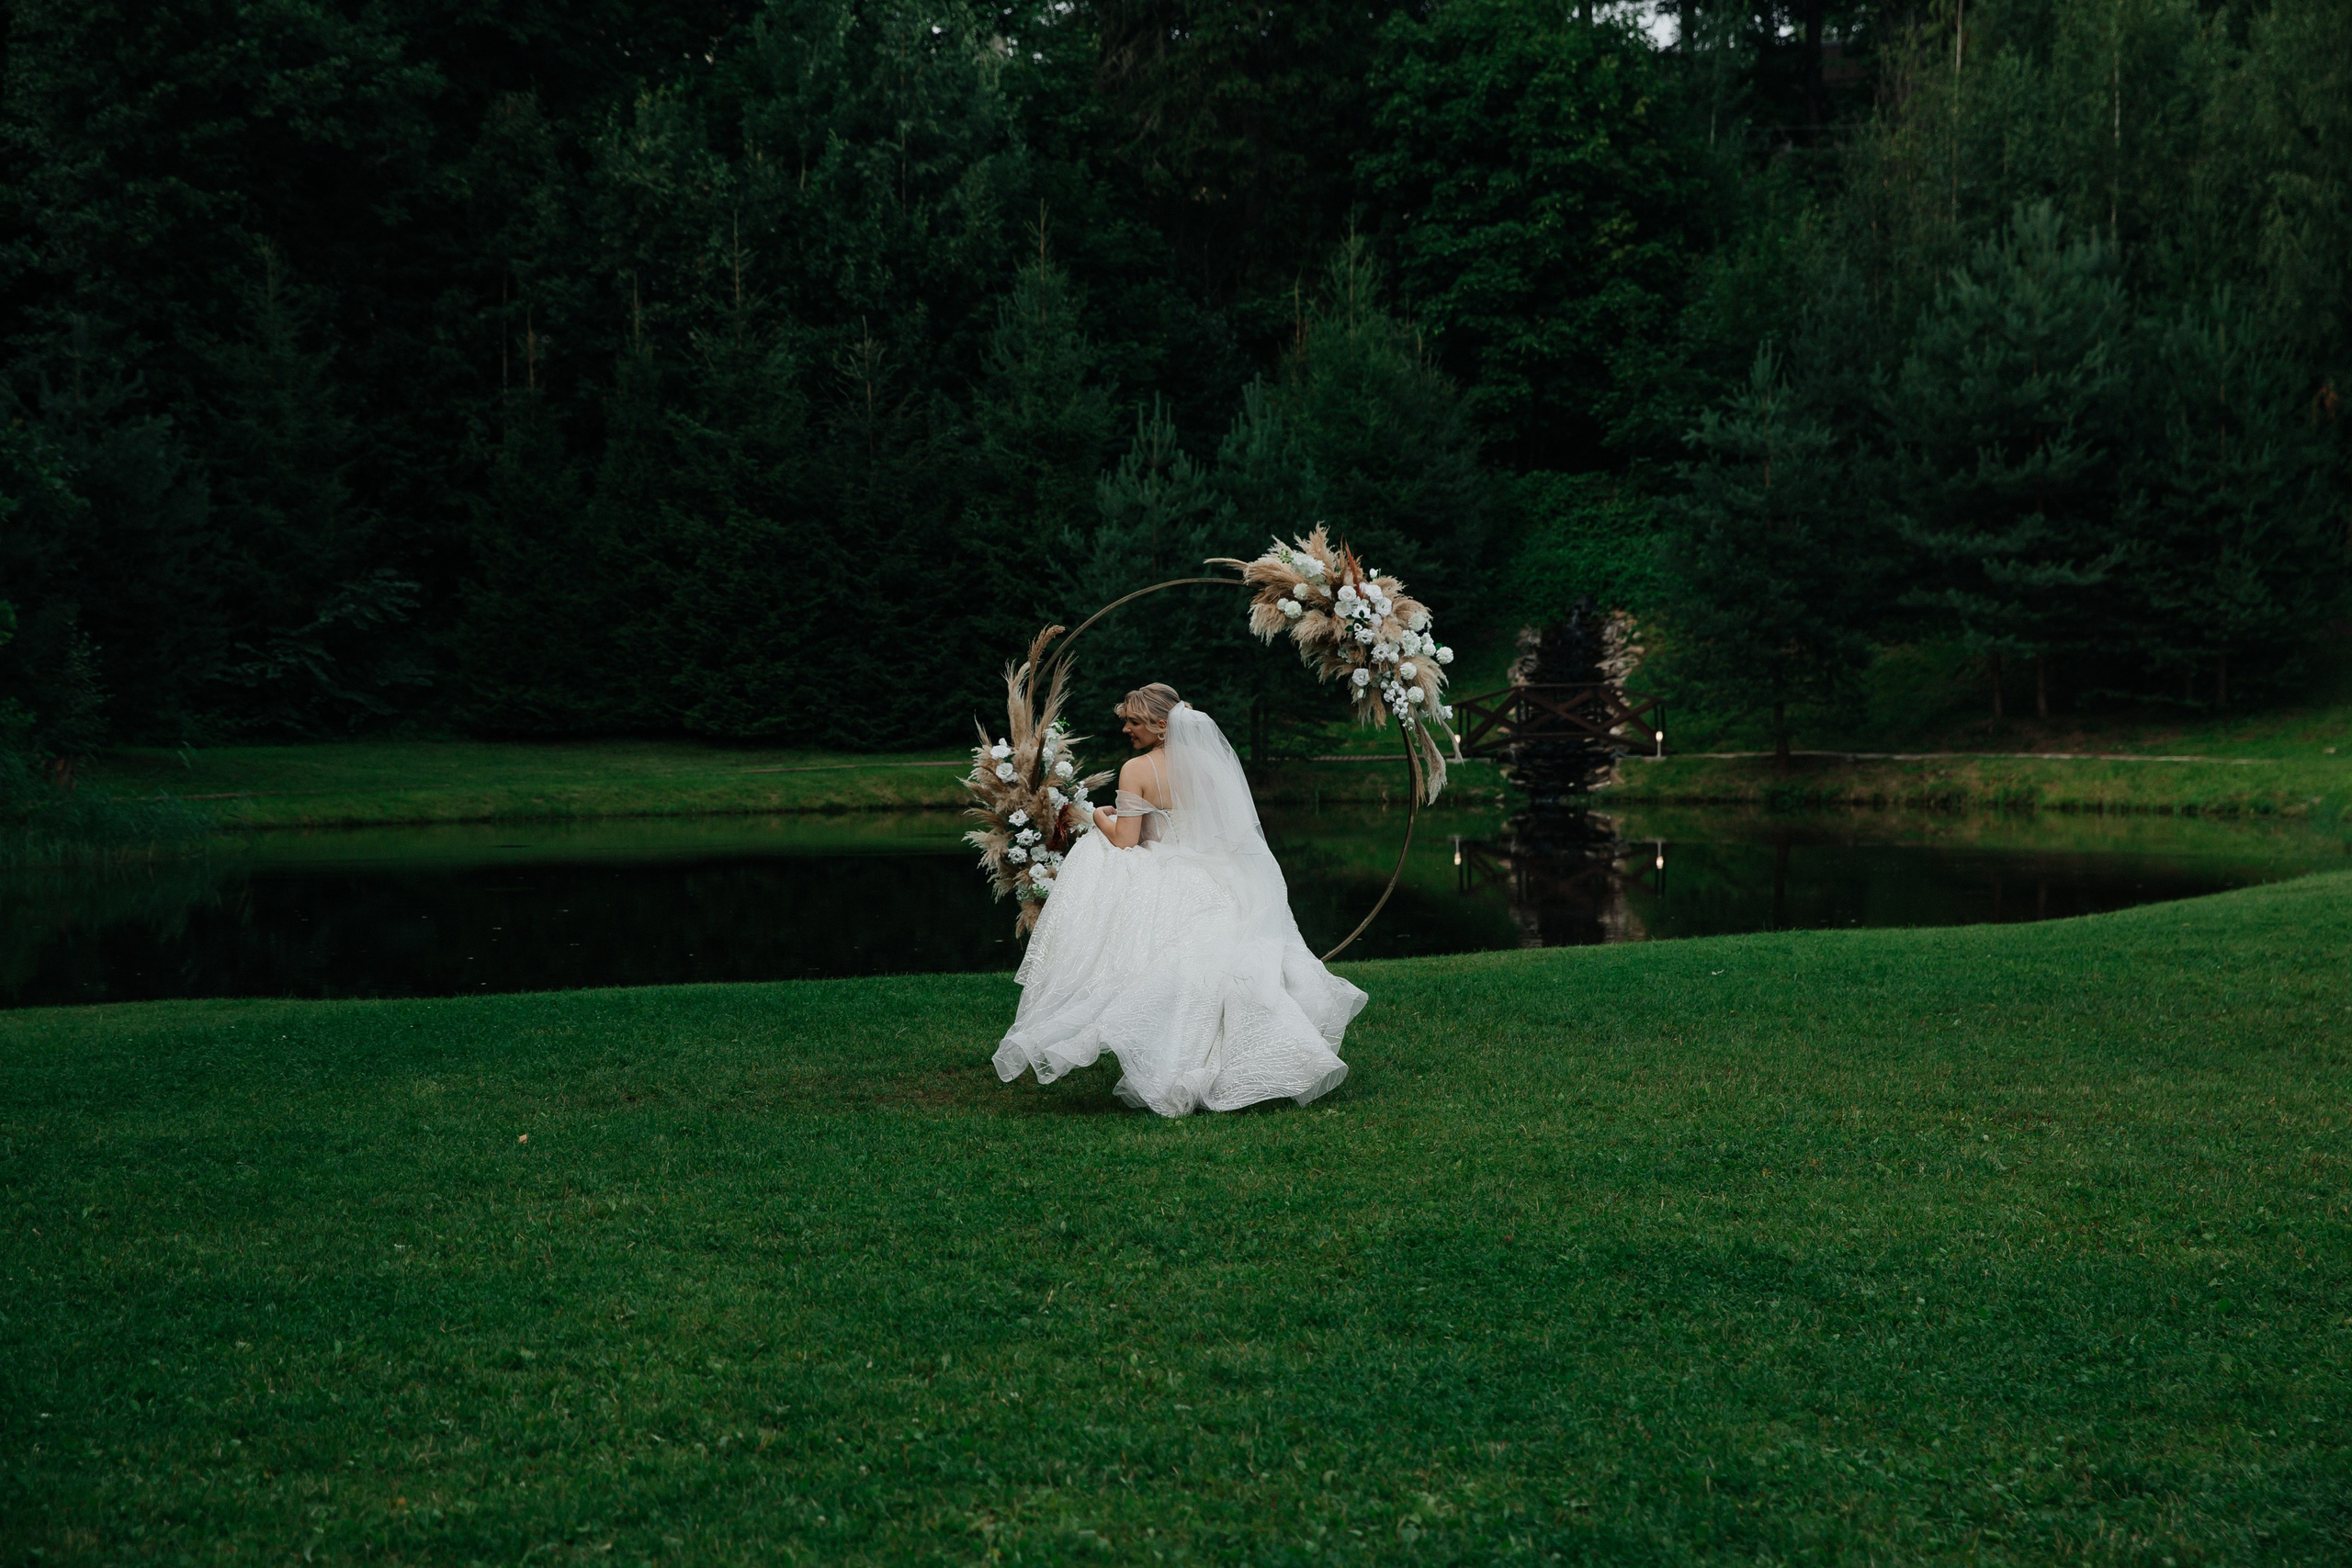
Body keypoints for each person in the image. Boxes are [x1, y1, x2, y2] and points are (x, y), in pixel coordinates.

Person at [991, 682, 1364, 1115]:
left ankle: (1176, 1058)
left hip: (1168, 870)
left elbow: (1127, 841)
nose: (1127, 730)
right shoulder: (1208, 765)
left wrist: (1097, 816)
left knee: (1097, 855)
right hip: (1215, 874)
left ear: (1162, 726)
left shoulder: (1137, 769)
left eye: (1134, 722)